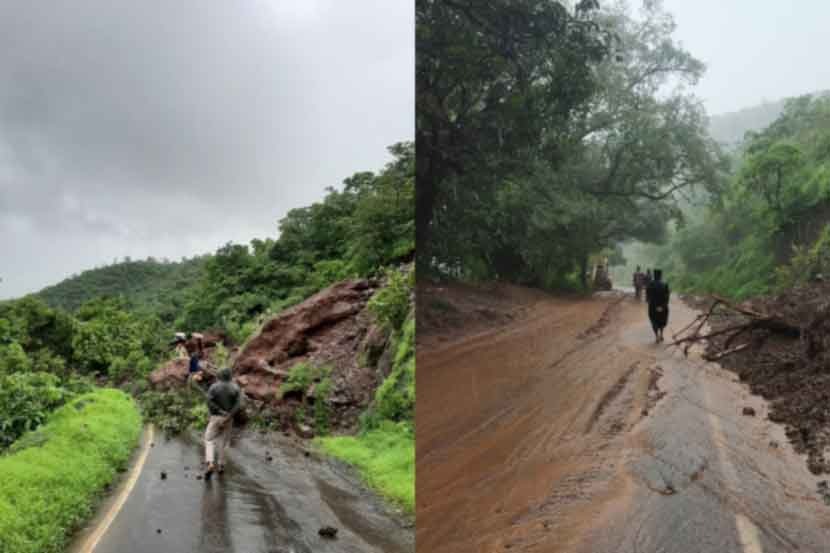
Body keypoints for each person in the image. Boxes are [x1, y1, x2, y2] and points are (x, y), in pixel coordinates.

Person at [204, 367, 242, 479]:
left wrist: (219, 411)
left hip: (215, 418)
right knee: (224, 443)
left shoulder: (214, 387)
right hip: (229, 419)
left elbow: (209, 401)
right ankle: (221, 466)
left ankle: (210, 463)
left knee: (209, 439)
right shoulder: (236, 388)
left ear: (220, 375)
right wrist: (229, 415)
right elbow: (238, 405)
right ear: (230, 376)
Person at [645, 269, 670, 343]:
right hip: (663, 306)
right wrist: (664, 305)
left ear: (654, 275)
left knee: (654, 321)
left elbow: (647, 296)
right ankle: (661, 334)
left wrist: (649, 301)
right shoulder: (665, 284)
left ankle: (656, 336)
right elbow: (667, 296)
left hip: (653, 306)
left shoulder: (650, 284)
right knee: (662, 321)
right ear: (661, 276)